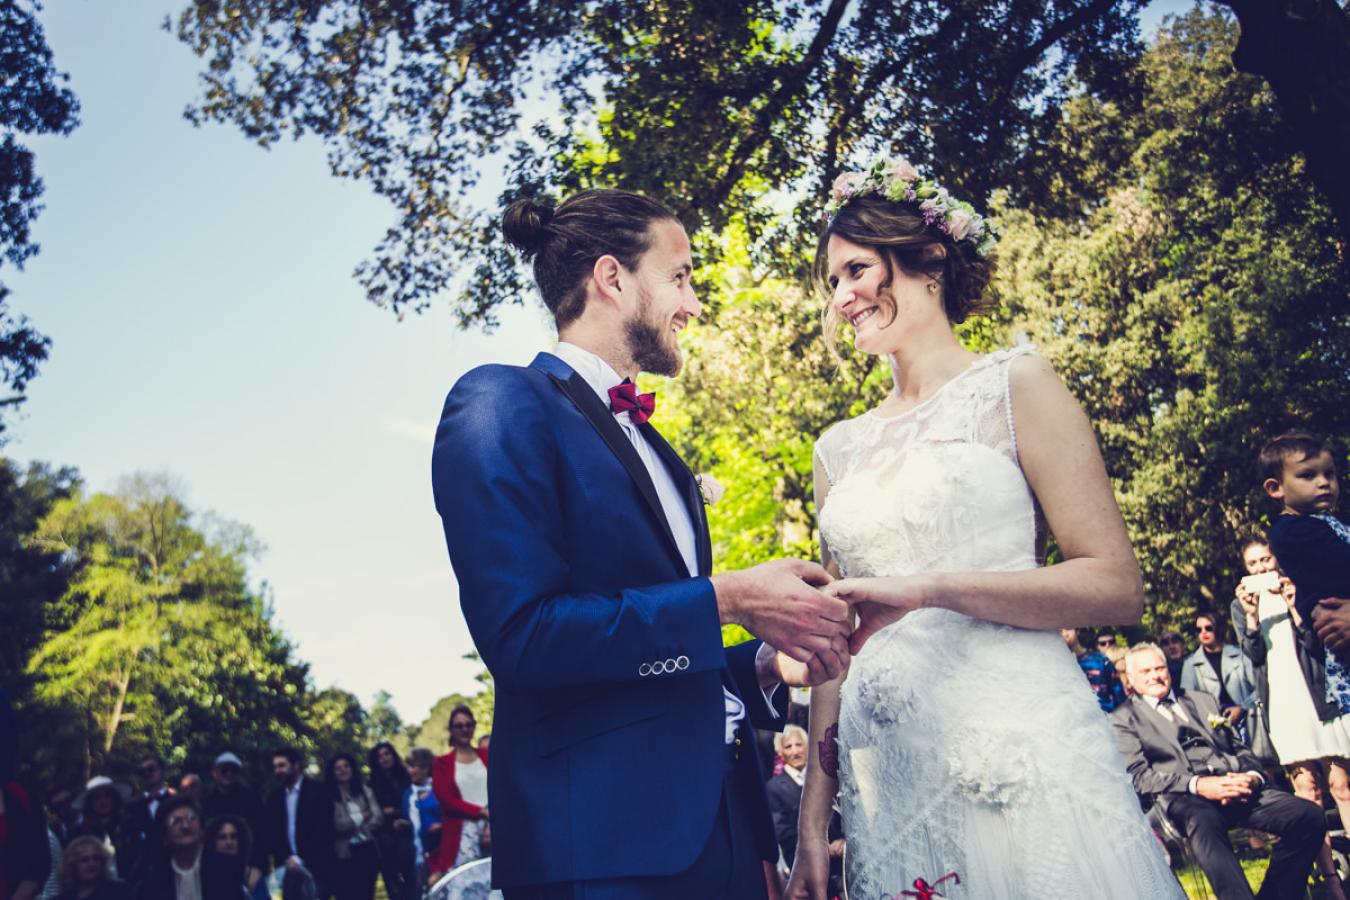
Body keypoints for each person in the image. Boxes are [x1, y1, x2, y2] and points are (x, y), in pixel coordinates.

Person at [430, 187, 851, 899]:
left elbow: (658, 654)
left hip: (726, 838)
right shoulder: (500, 403)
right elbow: (524, 638)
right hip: (602, 851)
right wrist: (729, 597)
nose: (693, 304)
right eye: (680, 276)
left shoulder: (657, 448)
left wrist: (769, 664)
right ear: (612, 278)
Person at [786, 157, 1180, 899]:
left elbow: (1114, 585)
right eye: (832, 282)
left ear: (928, 259)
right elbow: (835, 647)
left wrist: (928, 588)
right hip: (891, 775)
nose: (842, 297)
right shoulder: (835, 450)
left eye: (857, 270)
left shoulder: (1015, 385)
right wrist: (815, 818)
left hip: (1017, 743)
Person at [1111, 643, 1325, 900]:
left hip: (1237, 786)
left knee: (1308, 815)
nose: (1155, 676)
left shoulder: (1202, 700)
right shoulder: (1124, 718)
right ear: (1131, 679)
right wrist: (1200, 785)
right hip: (1185, 799)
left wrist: (1251, 778)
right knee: (1203, 821)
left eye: (1160, 668)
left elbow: (1241, 749)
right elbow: (1140, 778)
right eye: (1146, 671)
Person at [1236, 537, 1350, 900]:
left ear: (1277, 559)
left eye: (1265, 560)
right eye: (1252, 564)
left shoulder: (1299, 588)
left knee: (1341, 784)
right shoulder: (1240, 606)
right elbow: (1252, 655)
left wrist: (1294, 603)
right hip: (1282, 702)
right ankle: (1330, 881)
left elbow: (1317, 644)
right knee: (1308, 793)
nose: (1260, 568)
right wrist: (1252, 615)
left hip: (1316, 695)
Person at [1262, 432, 1350, 713]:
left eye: (1329, 474)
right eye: (1308, 475)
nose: (1324, 482)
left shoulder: (1324, 522)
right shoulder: (1292, 530)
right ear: (1276, 488)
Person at [135, 796, 245, 900]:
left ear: (202, 829)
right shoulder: (155, 880)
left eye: (191, 818)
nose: (185, 826)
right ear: (165, 835)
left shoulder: (226, 869)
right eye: (176, 821)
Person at [263, 749, 334, 898]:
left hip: (316, 866)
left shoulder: (319, 790)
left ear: (296, 765)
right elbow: (273, 833)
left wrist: (301, 858)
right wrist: (288, 859)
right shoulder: (274, 797)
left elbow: (324, 829)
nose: (278, 770)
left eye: (282, 765)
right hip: (287, 868)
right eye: (275, 767)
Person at [430, 708, 488, 874]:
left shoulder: (486, 755)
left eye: (469, 725)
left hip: (493, 825)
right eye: (459, 726)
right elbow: (446, 800)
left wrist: (491, 817)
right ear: (451, 730)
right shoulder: (442, 763)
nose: (464, 729)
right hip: (462, 832)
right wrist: (480, 811)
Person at [1180, 613, 1256, 739]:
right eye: (1199, 630)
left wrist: (1242, 708)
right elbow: (1188, 701)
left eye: (1208, 628)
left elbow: (1259, 688)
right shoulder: (1191, 664)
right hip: (1214, 727)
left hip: (1248, 721)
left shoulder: (1240, 655)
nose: (1203, 632)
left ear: (1218, 628)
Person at [202, 753, 265, 885]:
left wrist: (257, 867)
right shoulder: (206, 803)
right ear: (214, 773)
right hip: (213, 869)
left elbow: (262, 836)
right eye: (224, 770)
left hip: (246, 867)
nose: (229, 774)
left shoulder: (252, 800)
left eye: (234, 770)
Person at [325, 754, 381, 900]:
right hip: (343, 854)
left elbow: (377, 817)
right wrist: (362, 817)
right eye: (338, 768)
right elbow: (338, 825)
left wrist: (358, 828)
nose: (343, 770)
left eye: (346, 766)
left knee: (366, 894)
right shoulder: (329, 796)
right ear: (332, 772)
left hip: (367, 850)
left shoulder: (365, 791)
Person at [364, 744, 411, 900]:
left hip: (409, 832)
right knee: (393, 883)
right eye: (380, 756)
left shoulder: (407, 777)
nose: (384, 758)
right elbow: (374, 812)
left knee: (412, 879)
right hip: (386, 839)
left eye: (387, 754)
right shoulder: (372, 784)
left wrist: (396, 812)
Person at [70, 778, 133, 880]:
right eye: (97, 797)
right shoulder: (80, 834)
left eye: (107, 795)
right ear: (90, 802)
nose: (103, 801)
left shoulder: (128, 827)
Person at [400, 750, 440, 892]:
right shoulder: (408, 794)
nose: (409, 771)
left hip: (439, 851)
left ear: (425, 768)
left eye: (413, 766)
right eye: (408, 767)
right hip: (416, 855)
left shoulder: (438, 789)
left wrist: (440, 826)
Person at [1062, 627, 1126, 712]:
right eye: (1059, 631)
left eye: (1067, 628)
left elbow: (1120, 695)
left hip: (1107, 718)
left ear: (1077, 630)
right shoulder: (1056, 665)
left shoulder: (1100, 660)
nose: (1064, 634)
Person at [202, 816, 266, 900]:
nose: (229, 842)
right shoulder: (204, 875)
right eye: (222, 837)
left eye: (233, 836)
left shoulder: (252, 876)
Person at [52, 836, 131, 900]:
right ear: (72, 865)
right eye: (84, 860)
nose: (91, 864)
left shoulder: (118, 892)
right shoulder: (64, 897)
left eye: (96, 858)